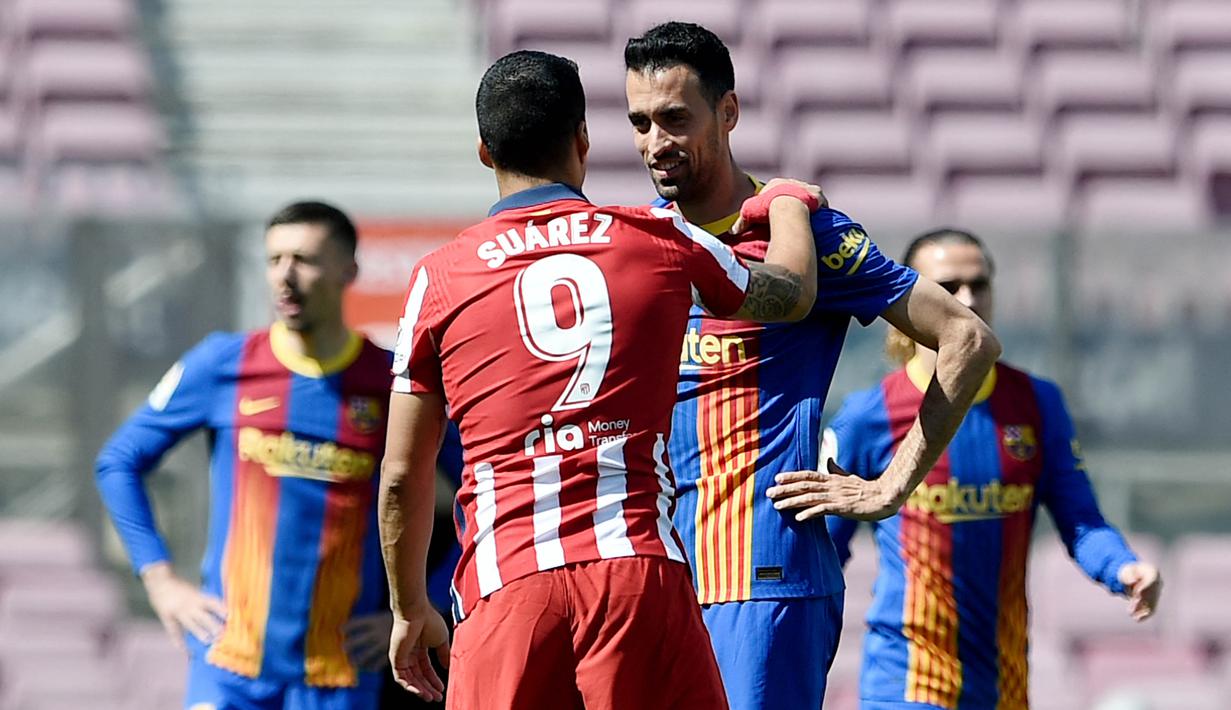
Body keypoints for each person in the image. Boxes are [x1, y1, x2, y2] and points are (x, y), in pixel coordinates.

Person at [377, 49, 826, 710]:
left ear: (484, 151)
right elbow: (788, 294)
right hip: (638, 575)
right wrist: (785, 203)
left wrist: (409, 607)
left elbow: (400, 476)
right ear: (583, 141)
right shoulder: (658, 236)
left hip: (507, 586)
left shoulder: (438, 277)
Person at [622, 22, 1002, 710]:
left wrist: (888, 489)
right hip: (657, 576)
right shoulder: (641, 244)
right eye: (640, 123)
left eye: (675, 118)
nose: (656, 143)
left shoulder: (807, 235)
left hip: (762, 579)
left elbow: (966, 339)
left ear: (727, 112)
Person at [823, 228, 1163, 710]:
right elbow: (824, 552)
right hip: (905, 682)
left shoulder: (1036, 403)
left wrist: (1122, 568)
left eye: (979, 284)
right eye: (948, 286)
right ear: (910, 301)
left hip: (1004, 686)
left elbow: (1081, 521)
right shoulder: (867, 416)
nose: (967, 299)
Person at [96, 201, 396, 710]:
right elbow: (118, 462)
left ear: (348, 272)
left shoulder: (389, 382)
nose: (285, 276)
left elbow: (475, 488)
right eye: (274, 259)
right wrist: (161, 581)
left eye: (304, 259)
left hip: (338, 673)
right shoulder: (223, 364)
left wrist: (423, 607)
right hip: (229, 665)